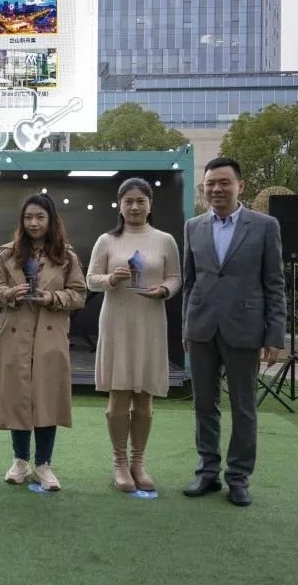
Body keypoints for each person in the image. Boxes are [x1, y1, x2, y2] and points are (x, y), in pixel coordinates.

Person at [183, 157, 286, 506]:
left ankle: (238, 477)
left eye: (224, 182)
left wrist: (275, 335)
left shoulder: (265, 226)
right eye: (210, 183)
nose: (216, 189)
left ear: (240, 185)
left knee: (244, 407)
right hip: (201, 329)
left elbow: (274, 283)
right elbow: (189, 282)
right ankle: (207, 472)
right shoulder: (193, 226)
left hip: (245, 329)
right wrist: (187, 325)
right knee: (203, 405)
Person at [0, 193, 86, 491]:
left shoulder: (67, 257)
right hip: (15, 332)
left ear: (51, 220)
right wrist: (8, 293)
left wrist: (54, 297)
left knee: (47, 396)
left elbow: (79, 294)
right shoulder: (7, 254)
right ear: (22, 221)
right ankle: (20, 460)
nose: (34, 223)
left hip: (50, 335)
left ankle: (44, 464)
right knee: (17, 396)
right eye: (28, 217)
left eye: (40, 217)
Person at [86, 178, 181, 492]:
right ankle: (119, 463)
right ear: (120, 205)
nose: (135, 206)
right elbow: (90, 280)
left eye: (141, 200)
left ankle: (138, 461)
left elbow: (175, 277)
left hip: (150, 320)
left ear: (150, 204)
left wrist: (165, 289)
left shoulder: (165, 239)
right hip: (116, 321)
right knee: (118, 397)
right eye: (129, 201)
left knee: (144, 398)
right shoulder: (107, 241)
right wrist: (112, 278)